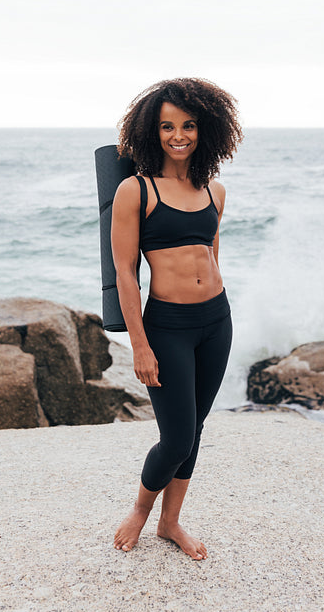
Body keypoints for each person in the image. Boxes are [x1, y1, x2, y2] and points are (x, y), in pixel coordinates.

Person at [111, 77, 243, 560]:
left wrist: (218, 307)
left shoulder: (215, 190)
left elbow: (210, 256)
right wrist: (139, 345)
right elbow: (127, 273)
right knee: (178, 436)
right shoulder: (135, 190)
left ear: (204, 129)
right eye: (167, 126)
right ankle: (141, 514)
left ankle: (171, 523)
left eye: (188, 125)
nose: (178, 135)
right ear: (153, 131)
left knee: (197, 428)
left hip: (216, 322)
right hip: (167, 328)